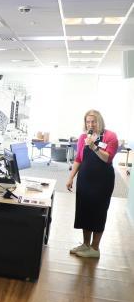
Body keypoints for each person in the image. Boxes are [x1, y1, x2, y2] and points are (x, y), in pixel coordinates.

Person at [66, 110, 119, 259]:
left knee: (98, 212)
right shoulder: (83, 137)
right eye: (88, 122)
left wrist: (94, 146)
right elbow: (78, 159)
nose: (90, 124)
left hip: (102, 181)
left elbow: (107, 158)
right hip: (85, 180)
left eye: (93, 121)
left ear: (99, 121)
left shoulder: (110, 136)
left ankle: (95, 248)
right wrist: (71, 177)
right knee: (84, 210)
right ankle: (85, 244)